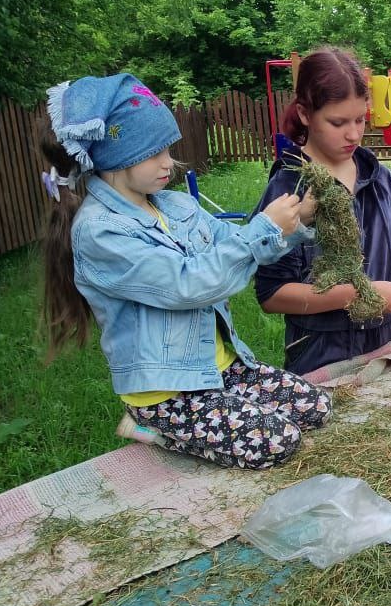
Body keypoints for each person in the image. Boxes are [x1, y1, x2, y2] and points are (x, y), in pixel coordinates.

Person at [40, 73, 331, 470]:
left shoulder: (176, 206)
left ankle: (231, 406)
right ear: (113, 156)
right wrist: (263, 227)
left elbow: (234, 240)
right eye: (153, 153)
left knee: (314, 405)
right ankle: (154, 429)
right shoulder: (100, 233)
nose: (169, 162)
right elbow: (189, 283)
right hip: (168, 395)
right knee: (278, 440)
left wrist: (294, 222)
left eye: (168, 148)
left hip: (221, 371)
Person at [254, 47, 391, 374]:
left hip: (390, 344)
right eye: (338, 122)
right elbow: (272, 295)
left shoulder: (380, 176)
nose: (354, 133)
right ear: (304, 114)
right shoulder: (289, 188)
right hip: (323, 355)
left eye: (360, 119)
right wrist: (359, 294)